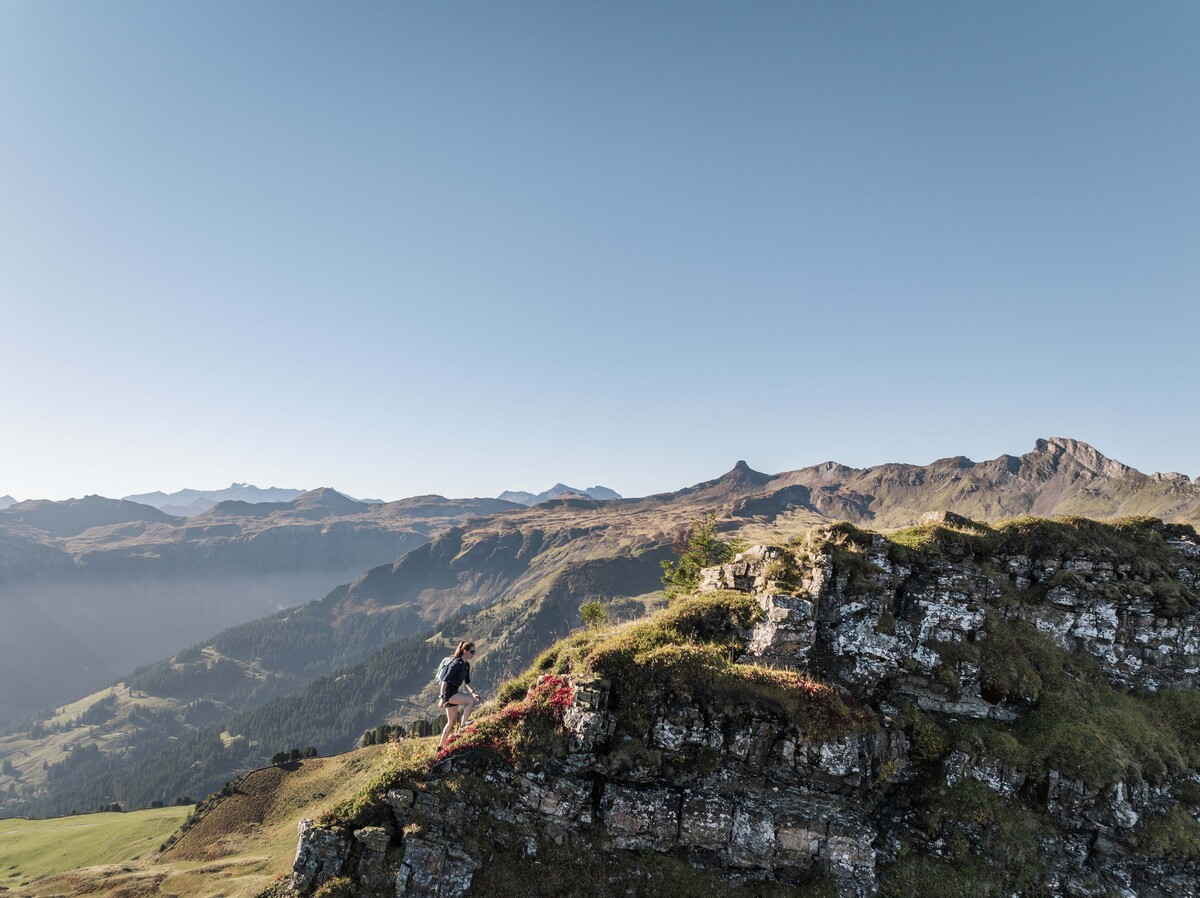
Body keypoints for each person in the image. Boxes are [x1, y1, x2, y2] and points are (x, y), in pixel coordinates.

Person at [437, 641, 481, 751]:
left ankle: (440, 747)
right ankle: (463, 727)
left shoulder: (466, 665)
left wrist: (473, 692)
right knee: (470, 701)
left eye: (474, 652)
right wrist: (442, 698)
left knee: (451, 722)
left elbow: (467, 682)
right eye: (472, 651)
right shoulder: (456, 663)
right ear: (465, 651)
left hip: (453, 692)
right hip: (449, 693)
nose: (473, 654)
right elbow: (444, 681)